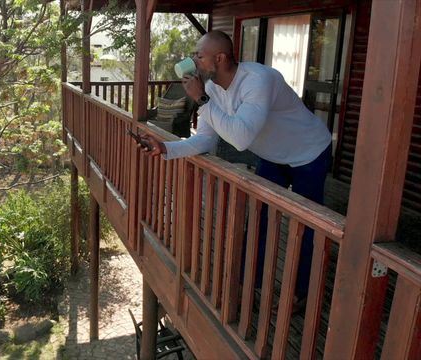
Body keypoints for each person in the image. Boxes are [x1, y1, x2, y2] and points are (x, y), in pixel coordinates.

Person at [141, 30, 332, 310]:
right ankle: (248, 286)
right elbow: (206, 138)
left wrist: (202, 102)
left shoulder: (258, 80)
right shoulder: (214, 89)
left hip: (309, 152)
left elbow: (240, 138)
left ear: (219, 58)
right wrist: (167, 149)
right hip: (273, 156)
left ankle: (304, 292)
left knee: (306, 226)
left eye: (199, 55)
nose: (192, 60)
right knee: (259, 219)